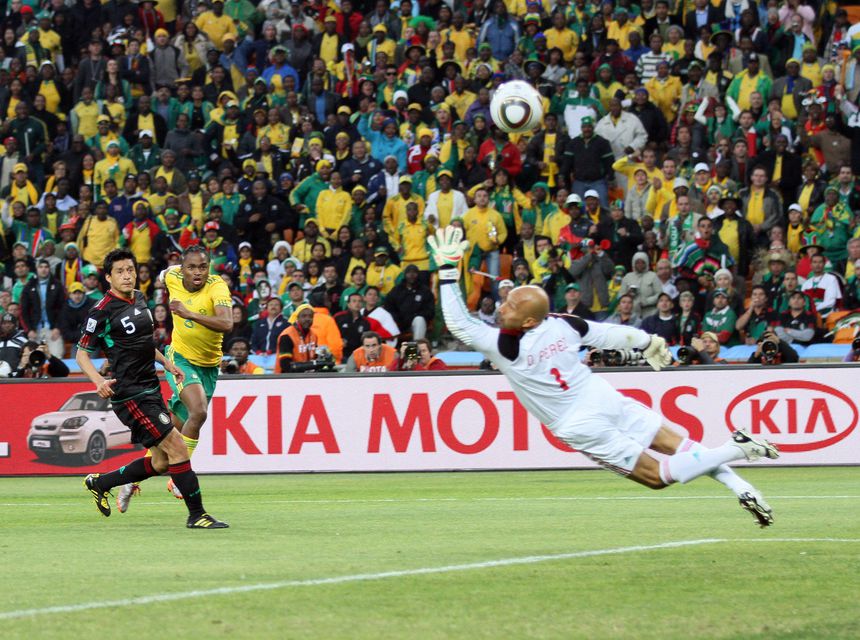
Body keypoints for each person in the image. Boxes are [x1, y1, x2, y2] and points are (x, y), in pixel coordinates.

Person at [429, 225, 779, 527]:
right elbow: (607, 333)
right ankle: (743, 488)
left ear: (529, 321)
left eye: (510, 306)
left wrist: (447, 271)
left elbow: (459, 322)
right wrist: (648, 340)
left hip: (577, 422)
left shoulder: (504, 347)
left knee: (657, 477)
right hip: (602, 396)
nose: (501, 307)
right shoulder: (563, 323)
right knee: (678, 445)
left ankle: (733, 447)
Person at [77, 248, 227, 528]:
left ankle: (100, 482)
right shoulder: (100, 312)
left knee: (159, 463)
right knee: (179, 448)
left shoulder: (139, 298)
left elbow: (145, 344)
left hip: (150, 387)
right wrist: (98, 381)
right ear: (108, 277)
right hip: (131, 394)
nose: (126, 275)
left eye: (130, 270)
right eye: (120, 271)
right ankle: (198, 515)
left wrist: (167, 365)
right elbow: (81, 354)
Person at [117, 245, 233, 509]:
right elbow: (162, 275)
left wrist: (190, 313)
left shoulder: (217, 287)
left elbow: (227, 323)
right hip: (179, 360)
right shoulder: (172, 277)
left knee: (170, 436)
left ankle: (130, 480)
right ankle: (181, 478)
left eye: (203, 267)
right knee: (199, 412)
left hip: (209, 366)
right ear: (182, 269)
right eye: (191, 267)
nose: (197, 272)